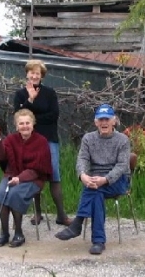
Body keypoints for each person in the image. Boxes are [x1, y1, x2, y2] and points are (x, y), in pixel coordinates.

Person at [54, 104, 131, 255]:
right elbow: (82, 159)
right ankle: (98, 241)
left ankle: (77, 224)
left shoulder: (122, 140)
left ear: (114, 121)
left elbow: (122, 166)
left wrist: (106, 179)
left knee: (95, 188)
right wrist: (83, 175)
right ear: (96, 122)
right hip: (95, 180)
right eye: (101, 120)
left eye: (107, 119)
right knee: (96, 193)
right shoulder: (88, 138)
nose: (104, 123)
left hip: (118, 180)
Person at [13, 59, 71, 226]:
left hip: (49, 139)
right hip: (29, 141)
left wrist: (32, 120)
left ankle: (61, 215)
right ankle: (37, 213)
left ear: (42, 76)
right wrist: (30, 101)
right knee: (34, 174)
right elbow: (19, 116)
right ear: (27, 74)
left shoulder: (49, 93)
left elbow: (54, 115)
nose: (35, 75)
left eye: (38, 73)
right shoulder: (20, 95)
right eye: (32, 72)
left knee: (54, 175)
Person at [0, 109, 53, 248]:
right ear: (17, 126)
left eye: (27, 123)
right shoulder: (11, 139)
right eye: (21, 123)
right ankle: (4, 233)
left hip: (34, 179)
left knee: (15, 194)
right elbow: (2, 157)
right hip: (12, 175)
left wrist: (20, 179)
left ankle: (19, 233)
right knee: (1, 193)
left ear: (33, 124)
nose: (25, 126)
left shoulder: (41, 141)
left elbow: (38, 169)